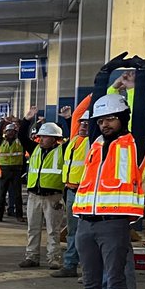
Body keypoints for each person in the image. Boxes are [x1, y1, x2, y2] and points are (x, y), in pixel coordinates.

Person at [60, 92, 144, 289]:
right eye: (100, 120)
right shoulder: (94, 144)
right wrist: (105, 76)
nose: (104, 124)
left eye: (110, 119)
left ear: (123, 119)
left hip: (114, 224)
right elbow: (84, 114)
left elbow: (140, 112)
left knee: (116, 283)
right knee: (91, 282)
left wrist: (139, 77)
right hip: (86, 222)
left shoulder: (134, 144)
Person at [52, 98, 91, 278]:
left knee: (87, 234)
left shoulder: (93, 142)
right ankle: (70, 265)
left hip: (87, 193)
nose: (83, 126)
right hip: (71, 192)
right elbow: (77, 117)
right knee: (73, 231)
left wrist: (96, 92)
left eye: (87, 123)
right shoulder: (74, 141)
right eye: (81, 123)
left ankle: (88, 270)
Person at [19, 122, 66, 269]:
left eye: (45, 137)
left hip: (53, 197)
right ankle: (31, 257)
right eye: (40, 136)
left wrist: (69, 119)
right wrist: (27, 120)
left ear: (54, 138)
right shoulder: (35, 149)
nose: (41, 139)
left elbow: (74, 139)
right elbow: (22, 136)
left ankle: (54, 259)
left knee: (53, 230)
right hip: (34, 196)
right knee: (32, 228)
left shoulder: (63, 150)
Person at [0, 121, 26, 221]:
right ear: (5, 132)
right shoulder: (0, 142)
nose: (10, 133)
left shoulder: (20, 141)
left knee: (17, 195)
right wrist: (3, 120)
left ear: (16, 132)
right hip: (4, 170)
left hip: (16, 170)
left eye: (13, 131)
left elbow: (24, 133)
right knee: (1, 194)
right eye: (9, 131)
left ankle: (19, 215)